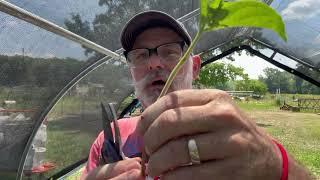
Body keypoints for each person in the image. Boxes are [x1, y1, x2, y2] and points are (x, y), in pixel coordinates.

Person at [81, 10, 313, 180]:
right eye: (140, 56)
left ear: (195, 67)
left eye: (170, 52)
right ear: (131, 72)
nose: (153, 64)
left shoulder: (230, 137)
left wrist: (274, 164)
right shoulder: (109, 139)